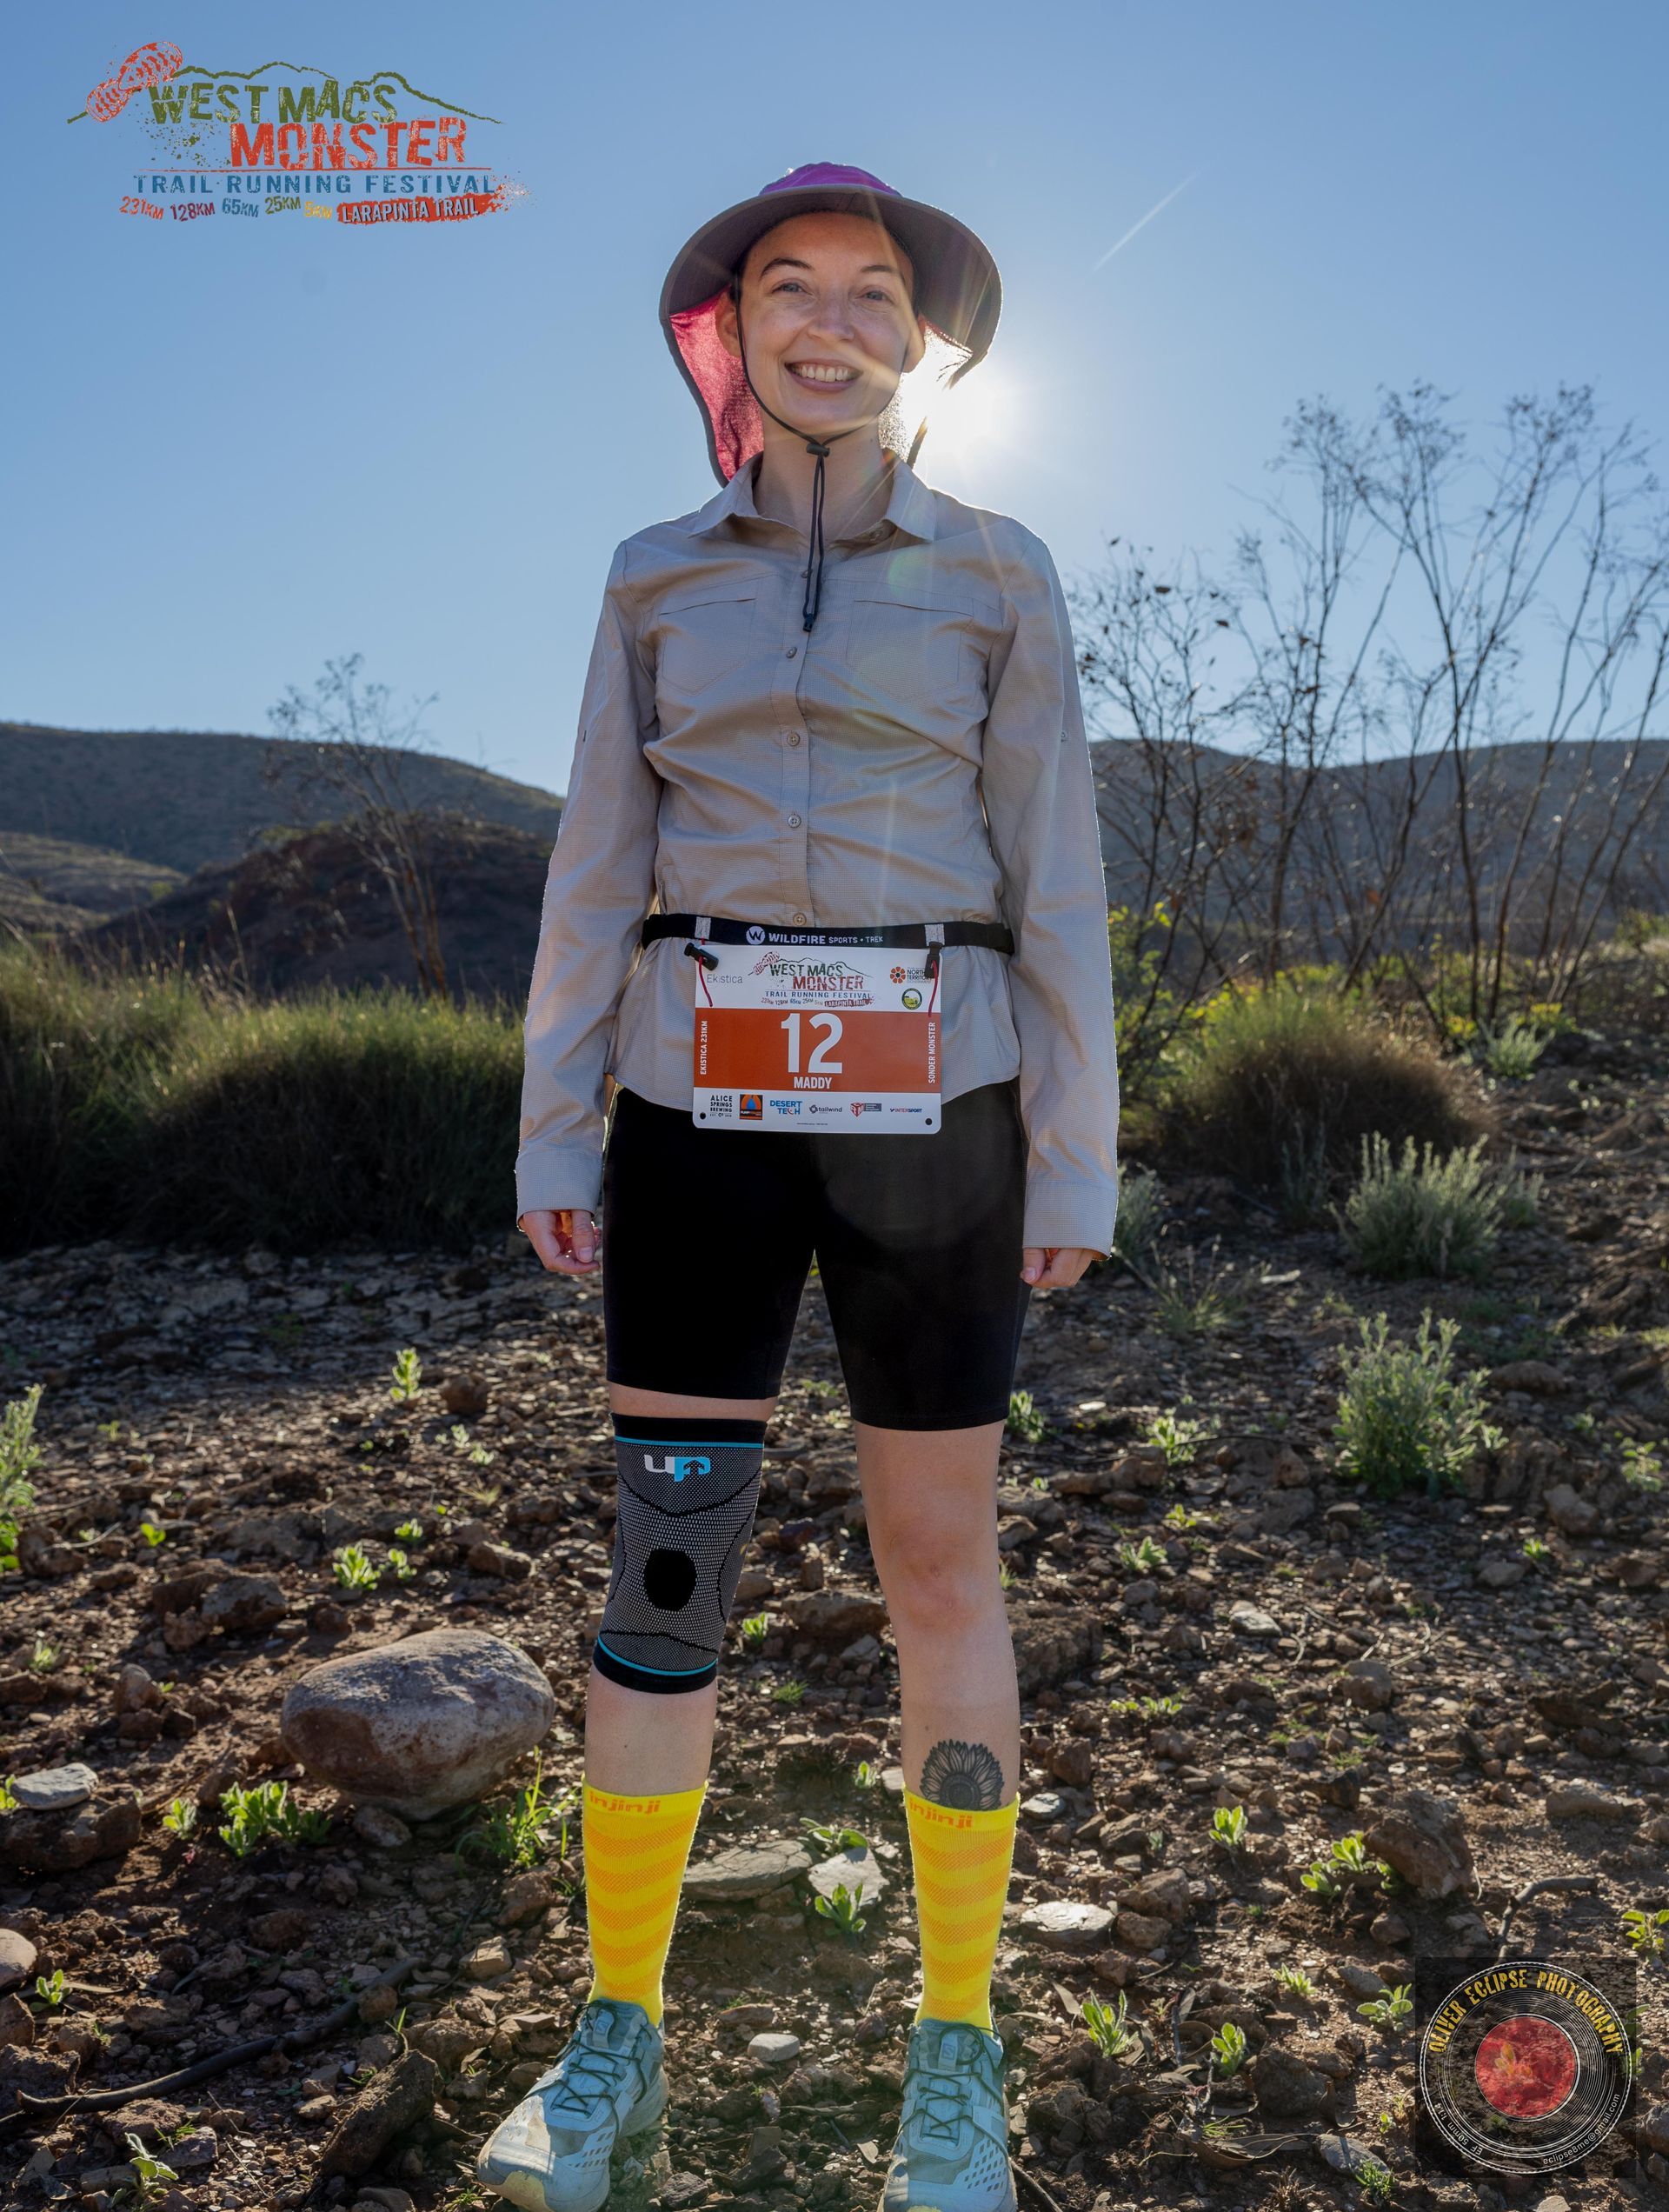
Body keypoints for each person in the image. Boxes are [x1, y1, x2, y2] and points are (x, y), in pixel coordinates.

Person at [479, 162, 1119, 2212]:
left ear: (922, 341)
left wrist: (1076, 1148)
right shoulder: (652, 577)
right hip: (696, 1119)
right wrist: (557, 1122)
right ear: (730, 330)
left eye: (870, 294)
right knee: (669, 1568)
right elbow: (597, 865)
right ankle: (617, 2035)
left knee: (940, 1570)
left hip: (947, 1121)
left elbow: (1057, 873)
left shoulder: (1001, 570)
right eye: (789, 289)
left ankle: (956, 2042)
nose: (830, 324)